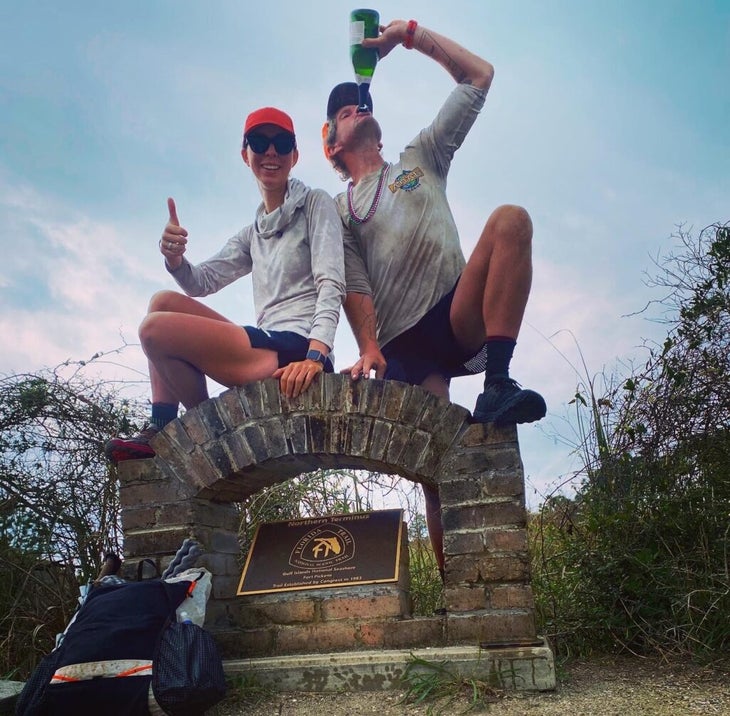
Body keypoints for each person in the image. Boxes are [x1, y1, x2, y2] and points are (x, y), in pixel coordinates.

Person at [322, 20, 545, 575]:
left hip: (453, 311)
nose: (355, 108)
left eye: (357, 105)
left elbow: (479, 77)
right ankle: (458, 590)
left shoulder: (420, 156)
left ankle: (498, 383)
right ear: (331, 143)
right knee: (439, 472)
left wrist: (408, 36)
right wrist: (368, 347)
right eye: (341, 112)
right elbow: (353, 285)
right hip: (404, 344)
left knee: (511, 221)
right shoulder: (340, 208)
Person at [105, 107, 345, 464]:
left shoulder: (314, 203)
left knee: (154, 330)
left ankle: (205, 430)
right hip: (267, 341)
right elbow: (200, 282)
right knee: (162, 302)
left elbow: (331, 281)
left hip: (297, 349)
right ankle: (162, 428)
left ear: (295, 155)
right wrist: (174, 258)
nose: (271, 152)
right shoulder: (254, 232)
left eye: (281, 143)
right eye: (259, 142)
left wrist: (317, 354)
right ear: (245, 153)